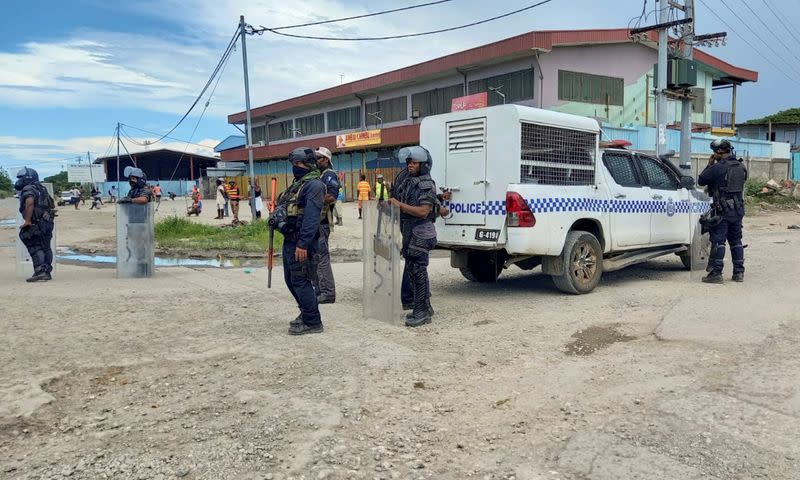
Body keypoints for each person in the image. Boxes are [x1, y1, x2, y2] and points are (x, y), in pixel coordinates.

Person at [270, 147, 326, 335]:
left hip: (302, 243)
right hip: (290, 239)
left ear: (308, 164)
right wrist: (279, 221)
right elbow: (286, 207)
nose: (295, 167)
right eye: (294, 164)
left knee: (301, 280)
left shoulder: (314, 186)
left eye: (299, 164)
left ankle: (313, 321)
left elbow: (311, 218)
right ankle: (306, 312)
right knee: (291, 280)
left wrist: (302, 244)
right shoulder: (298, 184)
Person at [388, 146, 438, 327]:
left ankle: (422, 312)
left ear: (423, 165)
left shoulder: (426, 184)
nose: (410, 165)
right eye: (409, 162)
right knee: (413, 269)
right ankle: (424, 306)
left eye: (414, 162)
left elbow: (424, 211)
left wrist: (399, 205)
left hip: (421, 232)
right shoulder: (408, 181)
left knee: (418, 270)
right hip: (410, 231)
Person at [698, 138, 748, 284]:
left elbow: (701, 180)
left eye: (714, 152)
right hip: (738, 209)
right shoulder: (741, 166)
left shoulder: (718, 167)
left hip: (722, 210)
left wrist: (709, 164)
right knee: (736, 241)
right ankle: (739, 273)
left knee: (718, 241)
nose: (714, 154)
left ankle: (716, 273)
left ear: (719, 151)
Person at [14, 167, 55, 282]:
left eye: (21, 178)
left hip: (37, 222)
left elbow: (30, 202)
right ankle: (46, 271)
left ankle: (40, 271)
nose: (19, 180)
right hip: (47, 222)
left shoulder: (28, 188)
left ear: (27, 178)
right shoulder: (42, 189)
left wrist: (27, 220)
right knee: (45, 246)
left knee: (31, 240)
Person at [312, 146, 340, 304]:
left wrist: (312, 201)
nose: (316, 161)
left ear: (326, 160)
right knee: (316, 258)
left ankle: (328, 293)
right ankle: (321, 290)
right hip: (317, 222)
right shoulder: (320, 175)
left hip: (322, 222)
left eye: (318, 158)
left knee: (322, 258)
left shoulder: (329, 175)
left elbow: (332, 196)